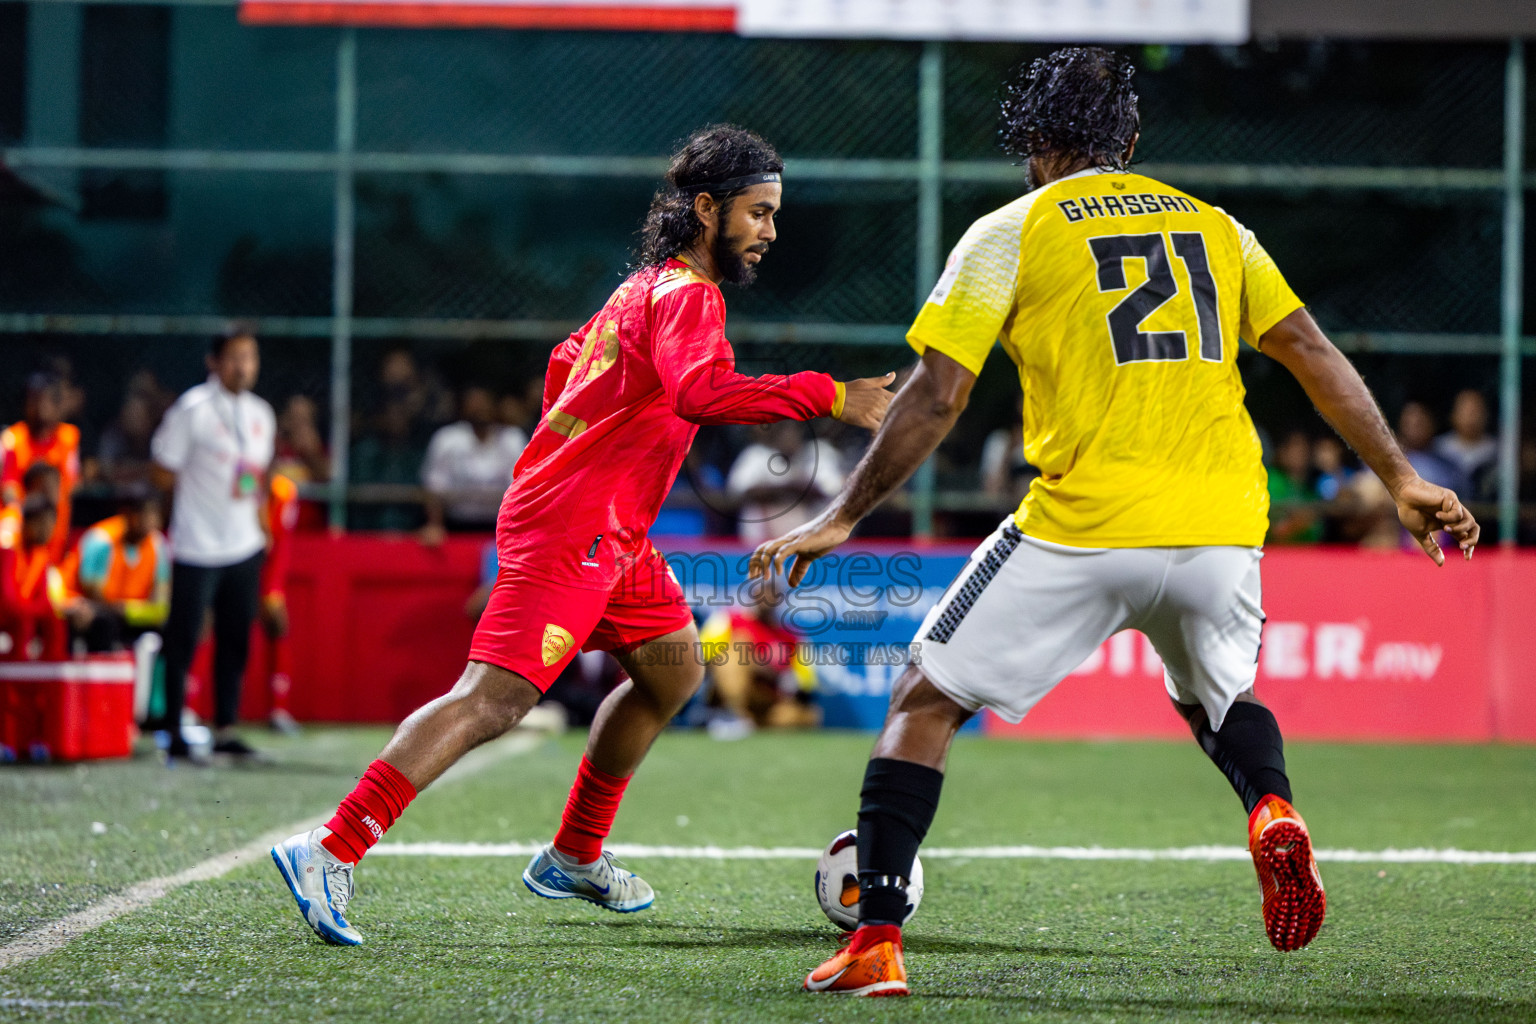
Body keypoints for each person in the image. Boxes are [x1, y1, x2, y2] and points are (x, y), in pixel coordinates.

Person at [749, 47, 1480, 997]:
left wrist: (841, 518)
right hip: (1222, 524)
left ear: (1040, 147)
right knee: (1220, 701)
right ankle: (1269, 807)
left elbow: (935, 397)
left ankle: (876, 938)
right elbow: (1306, 347)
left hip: (1083, 526)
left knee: (926, 695)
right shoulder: (1217, 228)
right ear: (1129, 141)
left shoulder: (1010, 229)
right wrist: (1400, 476)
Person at [270, 123, 894, 947]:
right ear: (707, 209)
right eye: (758, 213)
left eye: (774, 215)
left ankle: (573, 854)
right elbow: (701, 393)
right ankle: (331, 846)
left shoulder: (644, 288)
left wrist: (600, 453)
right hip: (573, 527)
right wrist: (829, 394)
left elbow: (567, 367)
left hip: (609, 531)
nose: (770, 231)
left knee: (673, 672)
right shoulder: (687, 296)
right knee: (493, 700)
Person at [150, 327, 276, 763]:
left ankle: (226, 727)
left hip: (244, 542)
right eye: (236, 356)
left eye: (251, 357)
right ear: (214, 362)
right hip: (197, 543)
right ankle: (171, 730)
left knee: (235, 638)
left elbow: (256, 476)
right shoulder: (192, 410)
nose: (244, 366)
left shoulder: (262, 413)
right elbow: (164, 471)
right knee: (183, 637)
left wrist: (261, 524)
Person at [698, 579, 818, 731]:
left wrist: (780, 677)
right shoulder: (730, 620)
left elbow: (805, 684)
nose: (768, 597)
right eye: (764, 591)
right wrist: (753, 664)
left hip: (768, 699)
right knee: (737, 649)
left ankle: (748, 723)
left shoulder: (792, 638)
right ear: (754, 593)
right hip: (730, 691)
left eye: (774, 592)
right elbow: (702, 658)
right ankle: (730, 714)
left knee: (806, 716)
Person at [418, 386, 528, 546]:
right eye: (474, 403)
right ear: (463, 407)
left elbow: (522, 489)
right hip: (456, 525)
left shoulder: (512, 438)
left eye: (484, 402)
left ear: (494, 405)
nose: (480, 407)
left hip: (501, 526)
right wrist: (434, 525)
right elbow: (434, 487)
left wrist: (521, 529)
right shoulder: (447, 439)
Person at [69, 483, 170, 652]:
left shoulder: (158, 544)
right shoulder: (101, 540)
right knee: (103, 624)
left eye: (155, 514)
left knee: (173, 626)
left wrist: (144, 611)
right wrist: (125, 609)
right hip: (97, 611)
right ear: (128, 514)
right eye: (147, 513)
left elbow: (161, 593)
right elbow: (93, 593)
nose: (153, 521)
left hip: (134, 614)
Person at [1, 372, 81, 562]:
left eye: (46, 401)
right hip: (23, 519)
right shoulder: (12, 439)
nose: (39, 408)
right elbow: (8, 487)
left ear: (57, 405)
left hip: (55, 519)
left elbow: (71, 484)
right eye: (34, 400)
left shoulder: (69, 437)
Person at [725, 420, 845, 544]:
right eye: (783, 429)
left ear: (801, 431)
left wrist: (778, 491)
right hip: (760, 544)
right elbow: (739, 494)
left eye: (793, 429)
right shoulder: (756, 456)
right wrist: (792, 488)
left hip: (811, 544)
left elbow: (830, 491)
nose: (788, 435)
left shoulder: (819, 453)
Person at [0, 493, 73, 660]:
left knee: (56, 622)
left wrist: (53, 610)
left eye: (51, 525)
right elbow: (7, 600)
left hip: (22, 612)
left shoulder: (41, 555)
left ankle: (51, 674)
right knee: (23, 622)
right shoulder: (8, 549)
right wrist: (35, 610)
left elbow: (44, 599)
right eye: (43, 524)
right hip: (8, 614)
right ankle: (16, 677)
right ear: (27, 522)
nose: (48, 531)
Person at [260, 473, 301, 735]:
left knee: (278, 628)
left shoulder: (284, 490)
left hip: (265, 567)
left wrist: (273, 587)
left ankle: (279, 708)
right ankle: (190, 706)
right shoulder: (245, 481)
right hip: (232, 563)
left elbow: (281, 544)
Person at [1433, 389, 1498, 499]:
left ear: (1486, 415)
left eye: (1475, 411)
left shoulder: (1497, 450)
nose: (1471, 417)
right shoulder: (1438, 447)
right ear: (1453, 415)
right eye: (1465, 411)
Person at [1397, 400, 1470, 497]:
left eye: (1420, 423)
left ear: (1432, 423)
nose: (1415, 428)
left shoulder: (1449, 468)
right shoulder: (1389, 461)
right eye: (1409, 422)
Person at [1266, 430, 1322, 544]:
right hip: (1273, 554)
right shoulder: (1270, 480)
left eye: (1303, 448)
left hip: (1308, 555)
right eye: (1294, 447)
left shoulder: (1312, 487)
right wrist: (1297, 522)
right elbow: (1274, 529)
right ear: (1282, 451)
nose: (1299, 453)